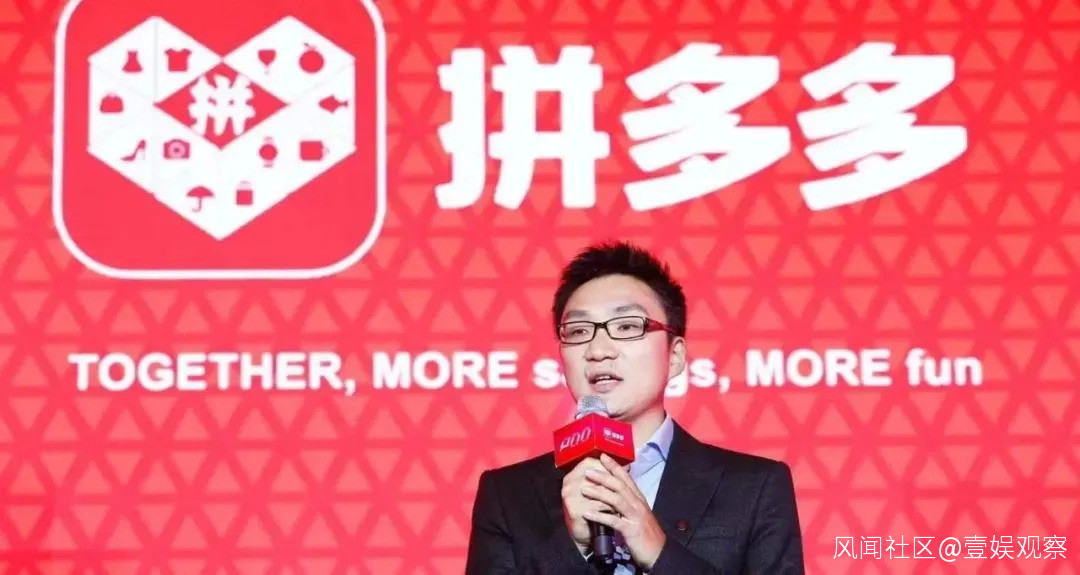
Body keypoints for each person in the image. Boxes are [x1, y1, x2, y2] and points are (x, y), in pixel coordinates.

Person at [465, 240, 805, 574]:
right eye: (579, 331)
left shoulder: (755, 487)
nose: (598, 350)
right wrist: (574, 549)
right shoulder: (508, 496)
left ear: (675, 356)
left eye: (627, 326)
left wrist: (660, 553)